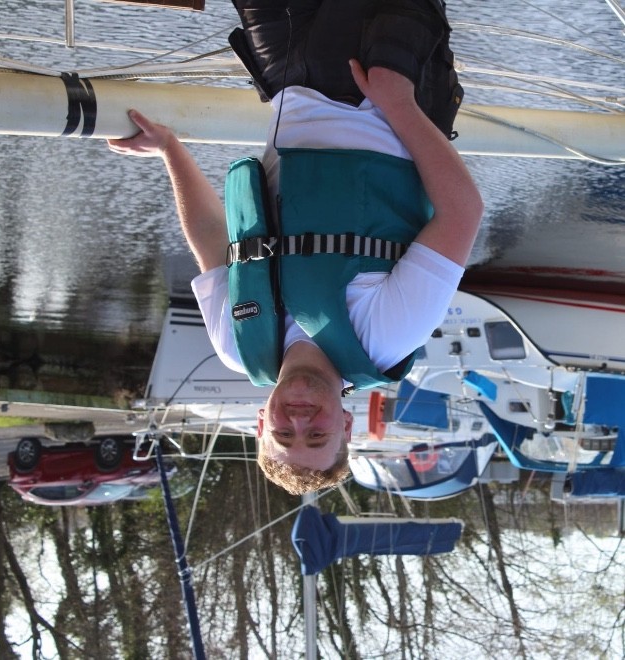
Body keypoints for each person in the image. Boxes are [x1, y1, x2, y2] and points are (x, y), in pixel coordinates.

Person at [107, 0, 483, 495]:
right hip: (373, 88)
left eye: (284, 435)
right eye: (318, 435)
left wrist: (169, 150)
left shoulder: (238, 345)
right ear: (346, 425)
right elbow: (462, 213)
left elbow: (212, 240)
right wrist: (399, 103)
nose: (300, 421)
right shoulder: (385, 337)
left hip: (286, 76)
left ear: (261, 423)